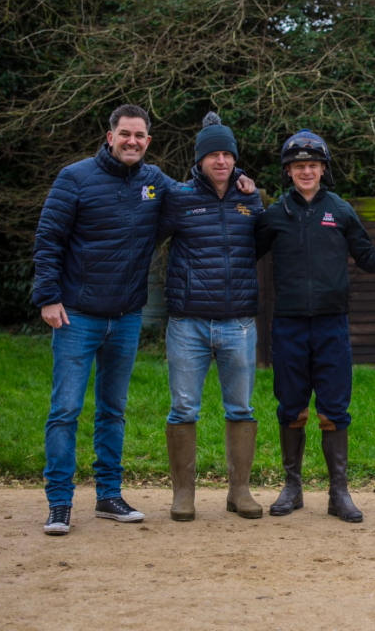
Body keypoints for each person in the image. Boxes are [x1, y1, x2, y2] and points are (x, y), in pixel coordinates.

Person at [33, 105, 255, 536]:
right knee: (65, 410)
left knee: (113, 411)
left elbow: (204, 186)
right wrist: (48, 298)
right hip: (76, 315)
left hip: (126, 316)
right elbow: (48, 239)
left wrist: (242, 178)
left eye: (140, 135)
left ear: (148, 141)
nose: (132, 141)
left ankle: (108, 497)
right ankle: (59, 503)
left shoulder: (156, 183)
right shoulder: (74, 178)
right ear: (110, 135)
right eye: (125, 134)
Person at [256, 129, 375, 522]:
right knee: (291, 407)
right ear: (288, 171)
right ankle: (292, 487)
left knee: (334, 410)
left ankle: (339, 493)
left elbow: (366, 257)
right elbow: (244, 253)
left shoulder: (341, 210)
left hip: (332, 326)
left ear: (323, 169)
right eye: (299, 166)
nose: (306, 171)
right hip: (289, 326)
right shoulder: (275, 215)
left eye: (313, 165)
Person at [156, 113, 265, 521]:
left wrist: (254, 196)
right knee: (184, 408)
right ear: (200, 160)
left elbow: (264, 242)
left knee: (241, 408)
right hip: (188, 324)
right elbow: (147, 239)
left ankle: (240, 492)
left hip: (239, 323)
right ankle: (183, 494)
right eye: (213, 154)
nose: (221, 161)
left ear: (234, 159)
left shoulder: (250, 198)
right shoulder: (180, 198)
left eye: (227, 154)